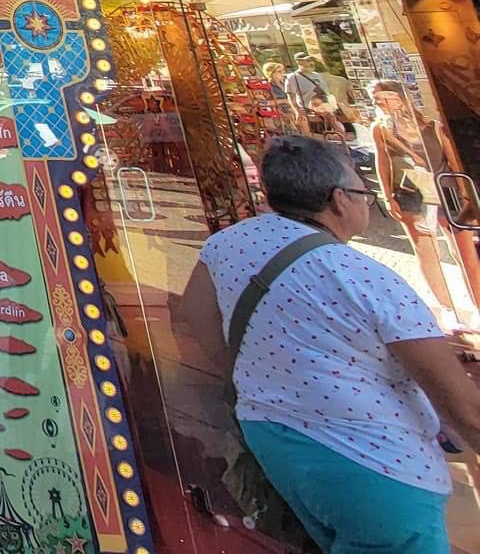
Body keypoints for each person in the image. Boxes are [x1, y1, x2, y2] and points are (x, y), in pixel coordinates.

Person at [182, 135, 480, 554]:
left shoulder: (232, 241)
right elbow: (459, 402)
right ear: (339, 200)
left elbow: (195, 315)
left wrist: (254, 377)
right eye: (364, 192)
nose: (367, 203)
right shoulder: (367, 278)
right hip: (379, 465)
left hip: (273, 437)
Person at [371, 80, 473, 325]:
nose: (378, 102)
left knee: (463, 249)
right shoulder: (381, 128)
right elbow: (382, 162)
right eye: (375, 98)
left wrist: (465, 191)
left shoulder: (432, 125)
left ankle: (474, 299)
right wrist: (387, 195)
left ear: (400, 97)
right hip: (410, 192)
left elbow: (453, 160)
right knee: (427, 251)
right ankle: (449, 309)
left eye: (383, 96)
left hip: (445, 188)